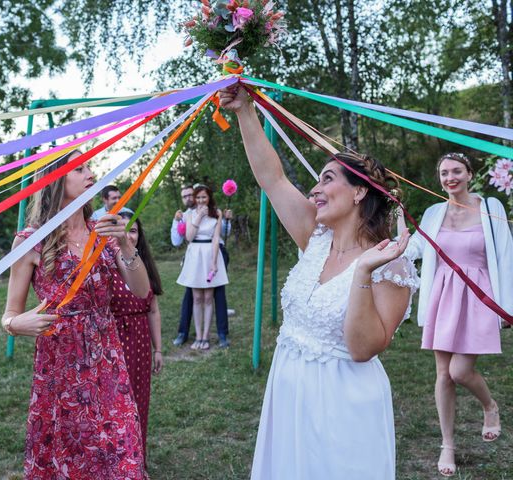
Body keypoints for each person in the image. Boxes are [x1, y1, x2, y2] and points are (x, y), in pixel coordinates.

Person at [220, 85, 419, 480]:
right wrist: (244, 111)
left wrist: (362, 272)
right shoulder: (315, 238)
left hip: (344, 404)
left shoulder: (391, 266)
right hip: (289, 390)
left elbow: (363, 349)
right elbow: (272, 179)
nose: (315, 188)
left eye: (327, 179)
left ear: (360, 190)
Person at [1, 150, 150, 480]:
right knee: (72, 455)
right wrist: (15, 324)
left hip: (108, 358)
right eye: (79, 168)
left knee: (122, 452)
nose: (90, 173)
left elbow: (141, 290)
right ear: (58, 180)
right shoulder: (30, 241)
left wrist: (126, 245)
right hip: (61, 364)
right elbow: (9, 313)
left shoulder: (103, 230)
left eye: (90, 167)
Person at [398, 152, 513, 477]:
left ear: (469, 174)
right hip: (443, 294)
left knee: (461, 371)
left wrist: (507, 305)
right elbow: (417, 247)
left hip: (478, 294)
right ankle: (447, 444)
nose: (450, 178)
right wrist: (390, 245)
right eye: (444, 172)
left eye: (456, 171)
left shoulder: (491, 207)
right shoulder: (435, 211)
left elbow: (506, 255)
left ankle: (490, 407)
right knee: (443, 374)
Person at [111, 211, 164, 462]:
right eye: (122, 229)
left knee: (139, 400)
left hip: (140, 341)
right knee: (114, 401)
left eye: (132, 230)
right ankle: (115, 459)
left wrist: (159, 349)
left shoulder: (144, 266)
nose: (127, 234)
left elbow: (153, 309)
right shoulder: (105, 266)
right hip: (113, 339)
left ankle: (136, 460)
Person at [171, 185, 233, 348]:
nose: (200, 200)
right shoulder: (189, 214)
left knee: (208, 298)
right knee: (196, 297)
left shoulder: (217, 213)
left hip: (210, 254)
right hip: (195, 254)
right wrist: (198, 217)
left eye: (203, 197)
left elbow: (216, 238)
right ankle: (198, 336)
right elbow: (190, 237)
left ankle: (206, 336)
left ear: (209, 198)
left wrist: (213, 262)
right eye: (197, 198)